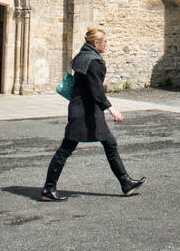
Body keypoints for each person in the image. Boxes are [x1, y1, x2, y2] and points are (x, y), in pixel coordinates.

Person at [41, 27, 145, 201]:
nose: (107, 44)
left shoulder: (83, 55)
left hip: (84, 109)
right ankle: (48, 189)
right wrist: (112, 109)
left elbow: (88, 83)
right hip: (84, 112)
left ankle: (125, 182)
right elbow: (96, 90)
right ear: (96, 43)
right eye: (104, 41)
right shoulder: (95, 60)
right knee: (66, 148)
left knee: (110, 143)